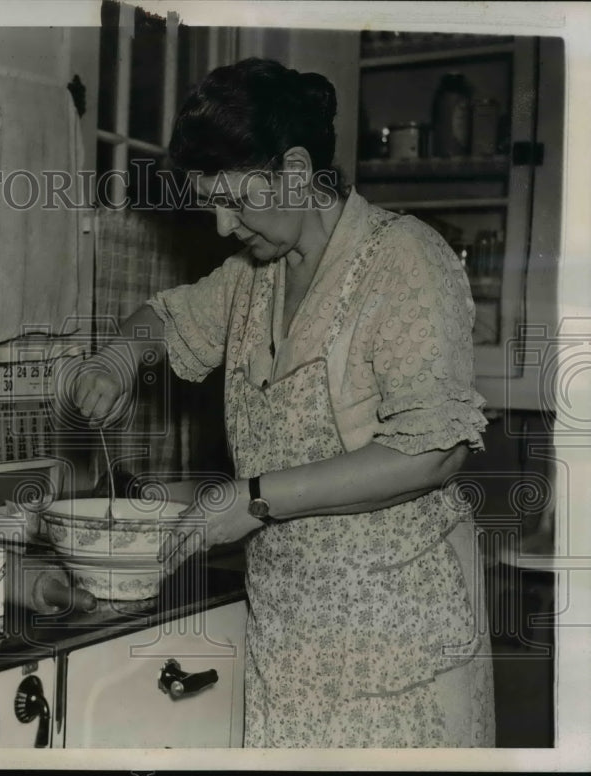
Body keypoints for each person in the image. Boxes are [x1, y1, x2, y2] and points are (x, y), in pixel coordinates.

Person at [66, 58, 495, 747]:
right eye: (210, 202)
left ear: (296, 171)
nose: (221, 226)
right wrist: (120, 356)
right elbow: (162, 320)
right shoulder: (251, 279)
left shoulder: (406, 261)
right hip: (289, 635)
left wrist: (254, 498)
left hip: (399, 642)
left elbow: (433, 450)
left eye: (234, 200)